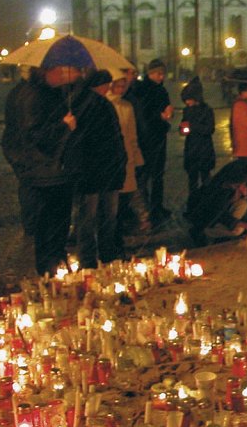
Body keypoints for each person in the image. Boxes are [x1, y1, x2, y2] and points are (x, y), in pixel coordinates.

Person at [1, 57, 82, 276]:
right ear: (46, 71)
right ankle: (49, 271)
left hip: (48, 169)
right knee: (51, 224)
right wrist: (65, 126)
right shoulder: (35, 96)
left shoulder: (39, 91)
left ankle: (53, 264)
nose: (65, 75)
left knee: (53, 223)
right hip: (46, 169)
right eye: (61, 71)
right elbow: (34, 135)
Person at [65, 69, 126, 269]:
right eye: (107, 85)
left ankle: (91, 258)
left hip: (94, 171)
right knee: (97, 217)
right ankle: (99, 256)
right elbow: (110, 139)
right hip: (99, 170)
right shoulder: (95, 104)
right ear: (99, 85)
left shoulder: (80, 102)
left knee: (91, 218)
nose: (109, 88)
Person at [185, 152, 247, 246]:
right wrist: (243, 225)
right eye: (241, 185)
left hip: (222, 212)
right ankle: (204, 232)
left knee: (243, 204)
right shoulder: (222, 190)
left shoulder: (244, 174)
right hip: (206, 218)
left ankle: (224, 233)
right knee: (237, 230)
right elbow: (218, 212)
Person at [107, 73, 150, 249]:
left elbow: (132, 135)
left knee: (124, 202)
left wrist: (137, 157)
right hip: (111, 161)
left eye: (125, 85)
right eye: (119, 85)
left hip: (128, 160)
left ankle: (119, 238)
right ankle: (112, 240)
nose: (123, 89)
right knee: (111, 206)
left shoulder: (127, 106)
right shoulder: (105, 104)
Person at [134, 58, 174, 224]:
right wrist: (159, 115)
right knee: (145, 175)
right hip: (148, 138)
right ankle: (147, 208)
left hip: (159, 135)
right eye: (158, 74)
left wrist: (168, 112)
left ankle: (157, 206)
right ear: (150, 73)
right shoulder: (143, 89)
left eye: (162, 74)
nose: (161, 77)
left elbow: (164, 106)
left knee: (158, 175)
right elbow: (143, 114)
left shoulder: (161, 90)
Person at [180, 77, 216, 195]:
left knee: (206, 178)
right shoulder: (187, 110)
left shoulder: (207, 110)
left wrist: (192, 126)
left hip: (204, 149)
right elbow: (184, 126)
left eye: (188, 100)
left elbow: (209, 129)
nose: (187, 103)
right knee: (192, 181)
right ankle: (193, 203)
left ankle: (206, 202)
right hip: (191, 149)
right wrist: (183, 128)